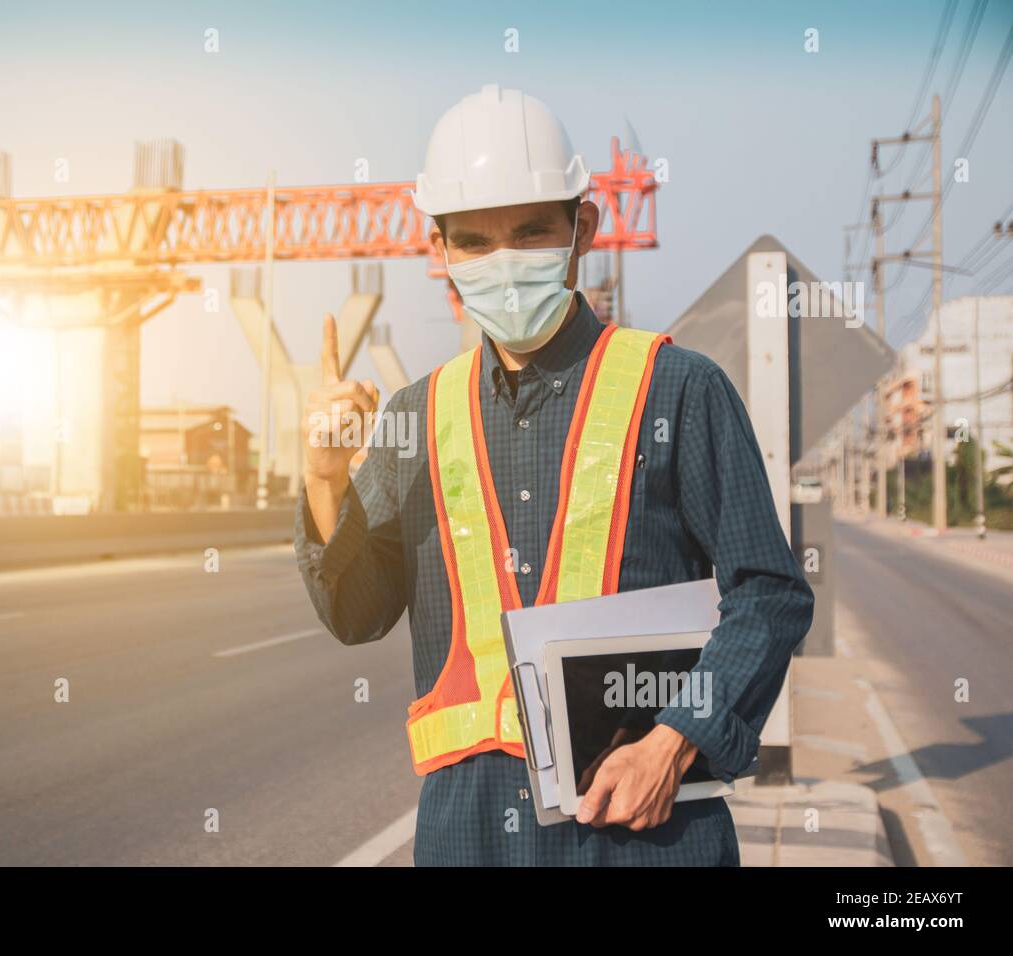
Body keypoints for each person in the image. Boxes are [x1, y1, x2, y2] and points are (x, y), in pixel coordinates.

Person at [295, 85, 813, 866]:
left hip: (645, 826)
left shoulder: (679, 389)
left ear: (583, 230)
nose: (503, 263)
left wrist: (675, 741)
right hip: (469, 832)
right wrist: (324, 476)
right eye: (473, 240)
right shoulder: (416, 417)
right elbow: (353, 612)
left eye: (531, 231)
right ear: (441, 254)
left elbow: (768, 595)